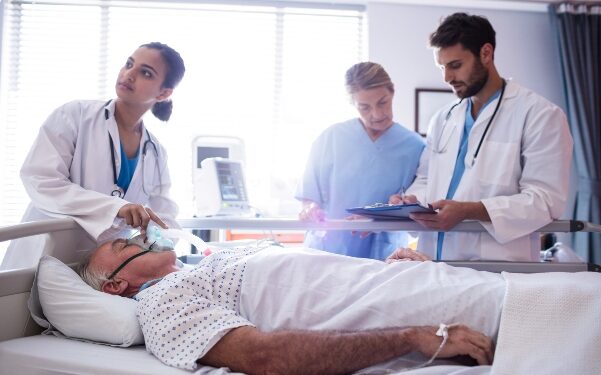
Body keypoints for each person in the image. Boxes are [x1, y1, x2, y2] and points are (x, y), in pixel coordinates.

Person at [79, 238, 501, 373]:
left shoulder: (206, 260)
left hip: (400, 281)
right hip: (404, 309)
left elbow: (315, 273)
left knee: (540, 296)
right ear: (118, 285)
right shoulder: (159, 303)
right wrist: (412, 335)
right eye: (126, 245)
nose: (142, 238)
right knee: (532, 312)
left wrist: (389, 267)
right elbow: (266, 356)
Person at [390, 13, 573, 261]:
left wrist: (469, 211)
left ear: (486, 54)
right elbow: (426, 179)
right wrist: (412, 200)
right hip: (432, 261)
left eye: (455, 65)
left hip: (496, 268)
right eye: (442, 67)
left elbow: (545, 202)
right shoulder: (443, 118)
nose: (447, 78)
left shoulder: (540, 115)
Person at [1, 42, 186, 270]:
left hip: (102, 270)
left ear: (164, 93)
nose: (129, 74)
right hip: (43, 255)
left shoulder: (155, 152)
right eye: (129, 64)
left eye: (145, 73)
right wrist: (114, 207)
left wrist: (158, 247)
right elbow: (41, 180)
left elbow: (164, 215)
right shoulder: (75, 116)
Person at [295, 62, 425, 260]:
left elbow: (416, 205)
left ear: (393, 92)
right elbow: (309, 195)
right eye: (364, 107)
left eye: (383, 102)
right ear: (353, 104)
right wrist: (310, 209)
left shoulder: (415, 146)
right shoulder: (330, 138)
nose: (377, 114)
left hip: (384, 254)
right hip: (327, 249)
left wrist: (379, 217)